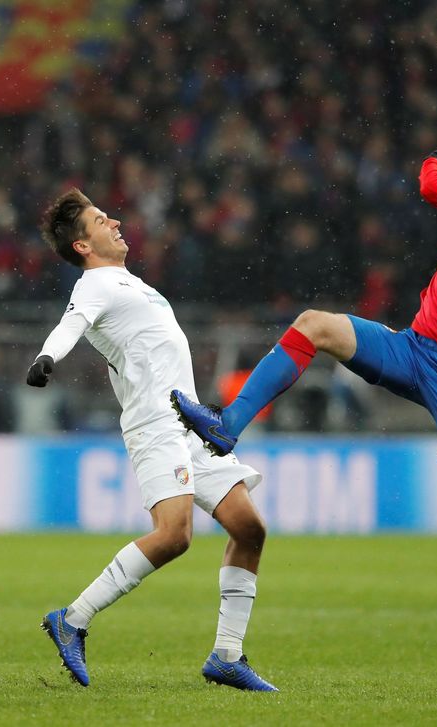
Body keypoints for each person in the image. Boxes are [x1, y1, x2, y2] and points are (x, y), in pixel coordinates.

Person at [171, 64, 437, 691]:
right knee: (315, 324)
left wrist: (433, 161)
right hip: (415, 348)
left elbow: (434, 191)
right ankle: (227, 427)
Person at [27, 189, 277, 691]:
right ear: (83, 245)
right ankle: (72, 619)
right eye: (101, 219)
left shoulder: (127, 282)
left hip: (189, 426)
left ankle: (227, 656)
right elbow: (70, 322)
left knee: (249, 528)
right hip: (155, 426)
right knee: (174, 535)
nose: (115, 221)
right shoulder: (95, 283)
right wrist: (46, 359)